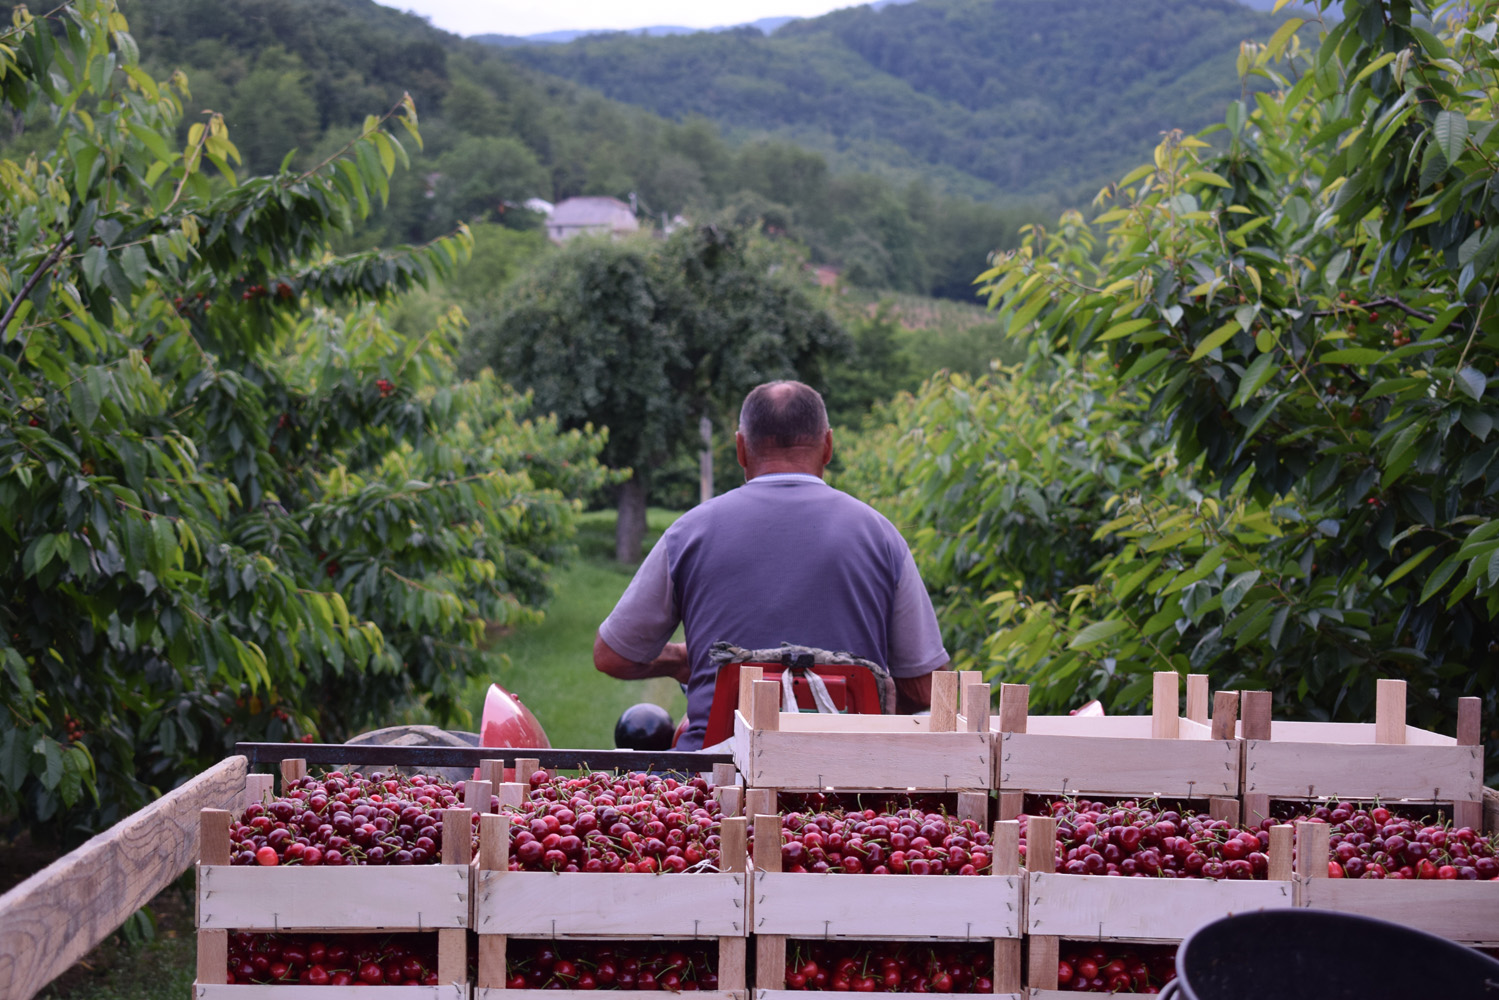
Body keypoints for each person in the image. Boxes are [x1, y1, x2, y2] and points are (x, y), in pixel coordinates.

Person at [593, 379, 949, 750]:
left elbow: (612, 655)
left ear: (741, 449)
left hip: (713, 784)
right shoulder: (881, 536)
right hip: (851, 783)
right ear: (827, 446)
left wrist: (680, 660)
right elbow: (926, 686)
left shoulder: (690, 532)